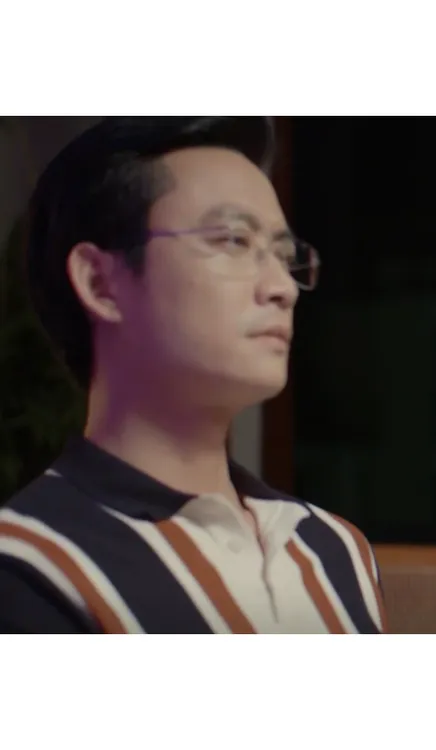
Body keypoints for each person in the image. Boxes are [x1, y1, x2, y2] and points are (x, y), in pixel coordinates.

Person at [0, 117, 387, 634]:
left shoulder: (335, 551)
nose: (282, 288)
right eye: (233, 240)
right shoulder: (32, 566)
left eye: (285, 255)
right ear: (100, 283)